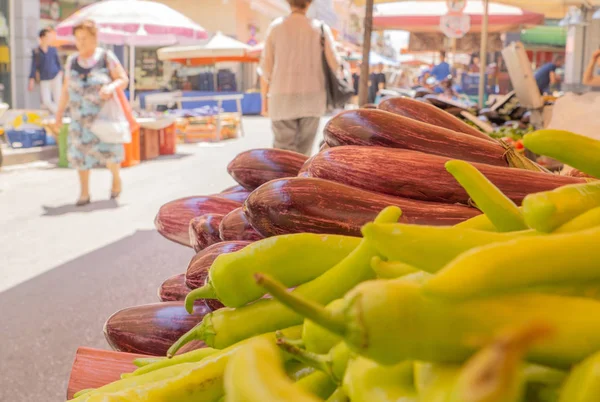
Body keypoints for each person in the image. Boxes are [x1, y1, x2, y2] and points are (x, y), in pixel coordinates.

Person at [55, 20, 129, 206]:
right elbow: (65, 90)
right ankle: (84, 193)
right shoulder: (71, 61)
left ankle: (115, 178)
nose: (81, 43)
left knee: (110, 154)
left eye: (85, 38)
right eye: (78, 39)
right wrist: (58, 115)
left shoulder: (106, 57)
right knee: (80, 157)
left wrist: (111, 87)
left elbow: (123, 79)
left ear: (95, 38)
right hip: (79, 120)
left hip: (103, 118)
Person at [259, 0, 340, 156]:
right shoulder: (320, 29)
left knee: (283, 152)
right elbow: (335, 64)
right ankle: (300, 179)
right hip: (313, 97)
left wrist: (264, 100)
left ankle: (283, 179)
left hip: (281, 97)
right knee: (303, 153)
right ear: (309, 3)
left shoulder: (276, 27)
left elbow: (266, 68)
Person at [29, 27, 63, 114]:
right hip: (44, 78)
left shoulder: (53, 49)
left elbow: (58, 62)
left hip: (55, 76)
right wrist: (31, 79)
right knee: (46, 101)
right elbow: (34, 66)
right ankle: (59, 113)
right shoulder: (36, 51)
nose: (49, 39)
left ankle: (59, 118)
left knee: (58, 99)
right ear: (42, 37)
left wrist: (61, 72)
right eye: (47, 37)